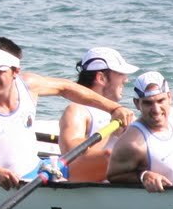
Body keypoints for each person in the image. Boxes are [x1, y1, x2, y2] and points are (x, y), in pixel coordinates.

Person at [0, 37, 126, 189]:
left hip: (41, 170)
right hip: (13, 184)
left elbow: (66, 87)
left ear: (15, 71)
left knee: (114, 158)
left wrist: (114, 108)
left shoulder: (29, 85)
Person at [54, 46, 138, 183]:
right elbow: (71, 153)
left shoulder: (123, 113)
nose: (126, 80)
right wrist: (111, 131)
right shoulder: (77, 110)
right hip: (88, 179)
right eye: (120, 74)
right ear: (101, 78)